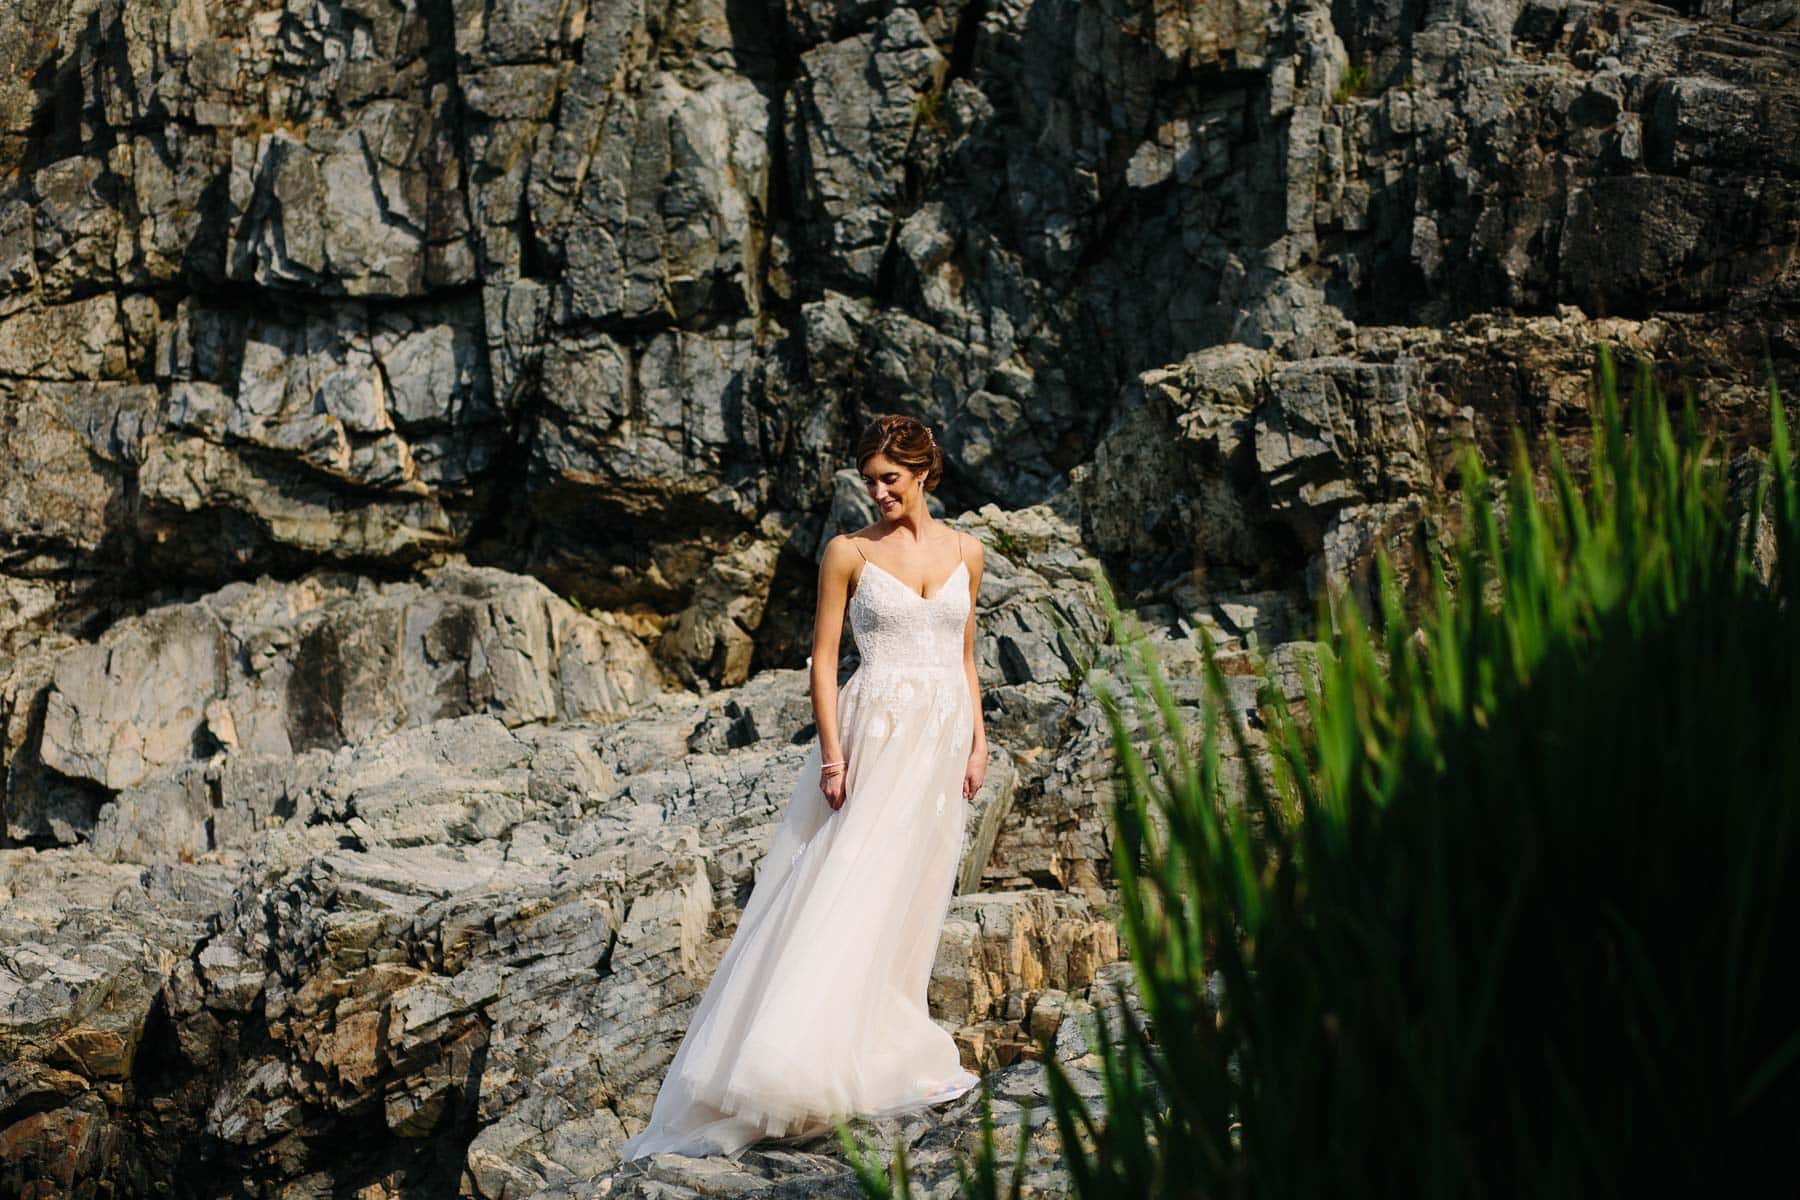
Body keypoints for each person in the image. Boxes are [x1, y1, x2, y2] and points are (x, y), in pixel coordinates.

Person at [618, 414, 988, 1161]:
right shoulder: (846, 553)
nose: (878, 491)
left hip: (942, 737)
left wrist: (979, 741)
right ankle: (791, 1062)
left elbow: (965, 656)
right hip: (873, 730)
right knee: (842, 883)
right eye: (870, 479)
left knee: (908, 893)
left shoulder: (969, 552)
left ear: (925, 475)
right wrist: (832, 756)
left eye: (891, 478)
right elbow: (823, 661)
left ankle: (879, 1042)